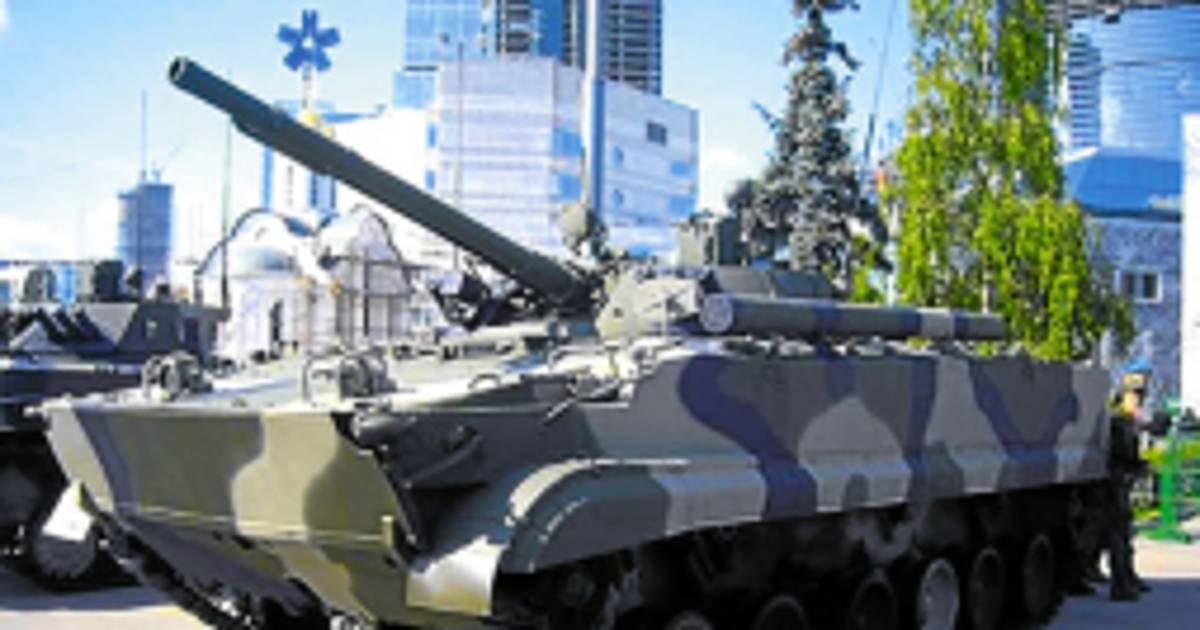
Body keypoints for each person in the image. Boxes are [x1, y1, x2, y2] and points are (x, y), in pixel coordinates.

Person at [1105, 359, 1155, 601]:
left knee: (1124, 532)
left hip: (1120, 482)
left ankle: (1127, 577)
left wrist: (1139, 465)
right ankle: (1120, 583)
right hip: (1113, 484)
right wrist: (1133, 466)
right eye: (1135, 396)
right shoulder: (1118, 423)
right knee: (1117, 534)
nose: (1139, 402)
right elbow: (1118, 455)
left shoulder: (1127, 423)